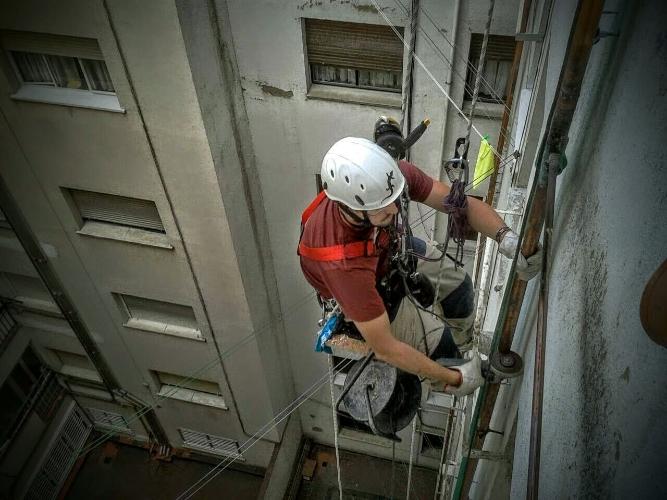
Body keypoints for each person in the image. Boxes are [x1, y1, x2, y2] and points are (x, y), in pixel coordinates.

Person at [299, 136, 540, 396]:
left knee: (459, 286)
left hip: (388, 249)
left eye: (393, 199)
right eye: (381, 208)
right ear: (349, 208)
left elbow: (461, 205)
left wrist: (506, 237)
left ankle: (467, 342)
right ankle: (461, 365)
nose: (394, 210)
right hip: (366, 288)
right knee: (440, 345)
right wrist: (456, 378)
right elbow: (386, 349)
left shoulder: (389, 180)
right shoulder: (343, 267)